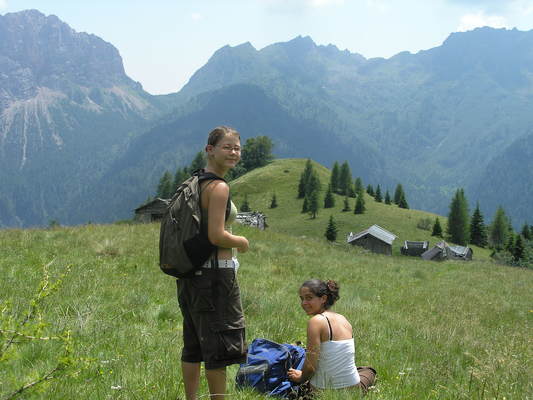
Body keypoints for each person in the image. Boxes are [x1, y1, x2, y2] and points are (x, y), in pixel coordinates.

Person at [177, 126, 250, 400]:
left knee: (193, 344)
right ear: (210, 150)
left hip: (190, 275)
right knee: (217, 348)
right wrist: (241, 241)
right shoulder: (219, 187)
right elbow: (216, 235)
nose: (233, 153)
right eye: (227, 147)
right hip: (215, 277)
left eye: (237, 148)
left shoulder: (196, 182)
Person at [287, 279, 376, 397]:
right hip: (354, 391)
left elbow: (311, 367)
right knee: (369, 371)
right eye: (302, 299)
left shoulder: (316, 321)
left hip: (322, 393)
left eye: (309, 298)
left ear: (323, 298)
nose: (304, 303)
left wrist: (301, 377)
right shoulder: (343, 319)